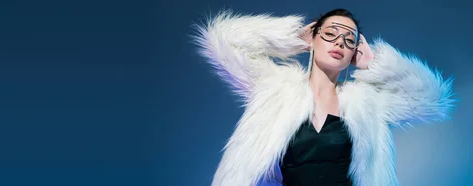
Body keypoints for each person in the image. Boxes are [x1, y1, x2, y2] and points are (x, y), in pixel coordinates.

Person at [192, 8, 456, 186]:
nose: (339, 42)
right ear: (313, 39)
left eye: (349, 39)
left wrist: (376, 64)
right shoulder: (275, 89)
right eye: (330, 33)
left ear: (354, 52)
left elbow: (432, 100)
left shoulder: (367, 103)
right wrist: (290, 38)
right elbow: (223, 40)